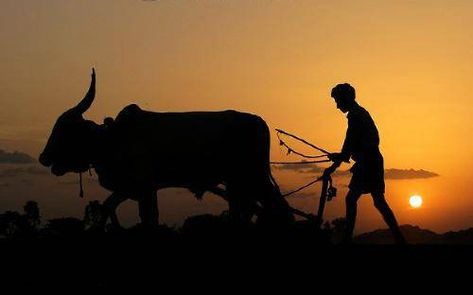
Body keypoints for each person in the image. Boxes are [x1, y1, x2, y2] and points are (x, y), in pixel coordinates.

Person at [323, 83, 406, 244]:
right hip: (372, 161)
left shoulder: (355, 116)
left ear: (345, 99)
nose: (337, 105)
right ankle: (399, 238)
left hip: (368, 163)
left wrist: (335, 163)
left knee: (352, 199)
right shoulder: (359, 113)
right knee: (379, 202)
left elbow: (349, 144)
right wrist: (339, 159)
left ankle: (347, 238)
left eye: (337, 100)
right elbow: (350, 146)